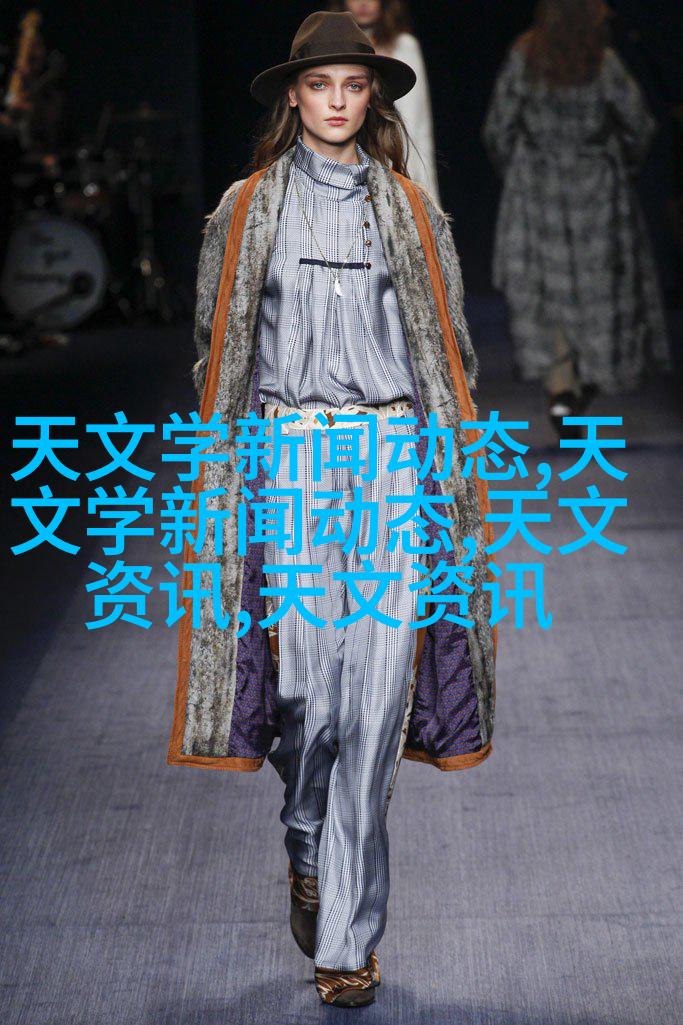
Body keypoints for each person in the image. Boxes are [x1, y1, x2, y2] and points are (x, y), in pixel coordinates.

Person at [168, 10, 497, 1009]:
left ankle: (346, 938)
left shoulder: (411, 212)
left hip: (393, 458)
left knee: (376, 698)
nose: (338, 101)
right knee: (305, 694)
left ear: (373, 96)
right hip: (292, 460)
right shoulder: (244, 209)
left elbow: (450, 349)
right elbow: (213, 347)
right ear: (293, 96)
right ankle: (305, 839)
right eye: (320, 85)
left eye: (354, 85)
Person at [482, 0, 672, 438]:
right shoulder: (602, 61)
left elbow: (498, 128)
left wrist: (520, 169)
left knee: (548, 292)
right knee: (597, 292)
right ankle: (584, 381)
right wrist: (618, 163)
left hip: (537, 189)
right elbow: (640, 124)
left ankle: (562, 387)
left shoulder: (525, 58)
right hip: (596, 190)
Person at [328, 0, 442, 204]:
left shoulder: (404, 47)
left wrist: (428, 197)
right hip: (342, 170)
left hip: (396, 167)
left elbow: (419, 126)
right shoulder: (328, 46)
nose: (363, 3)